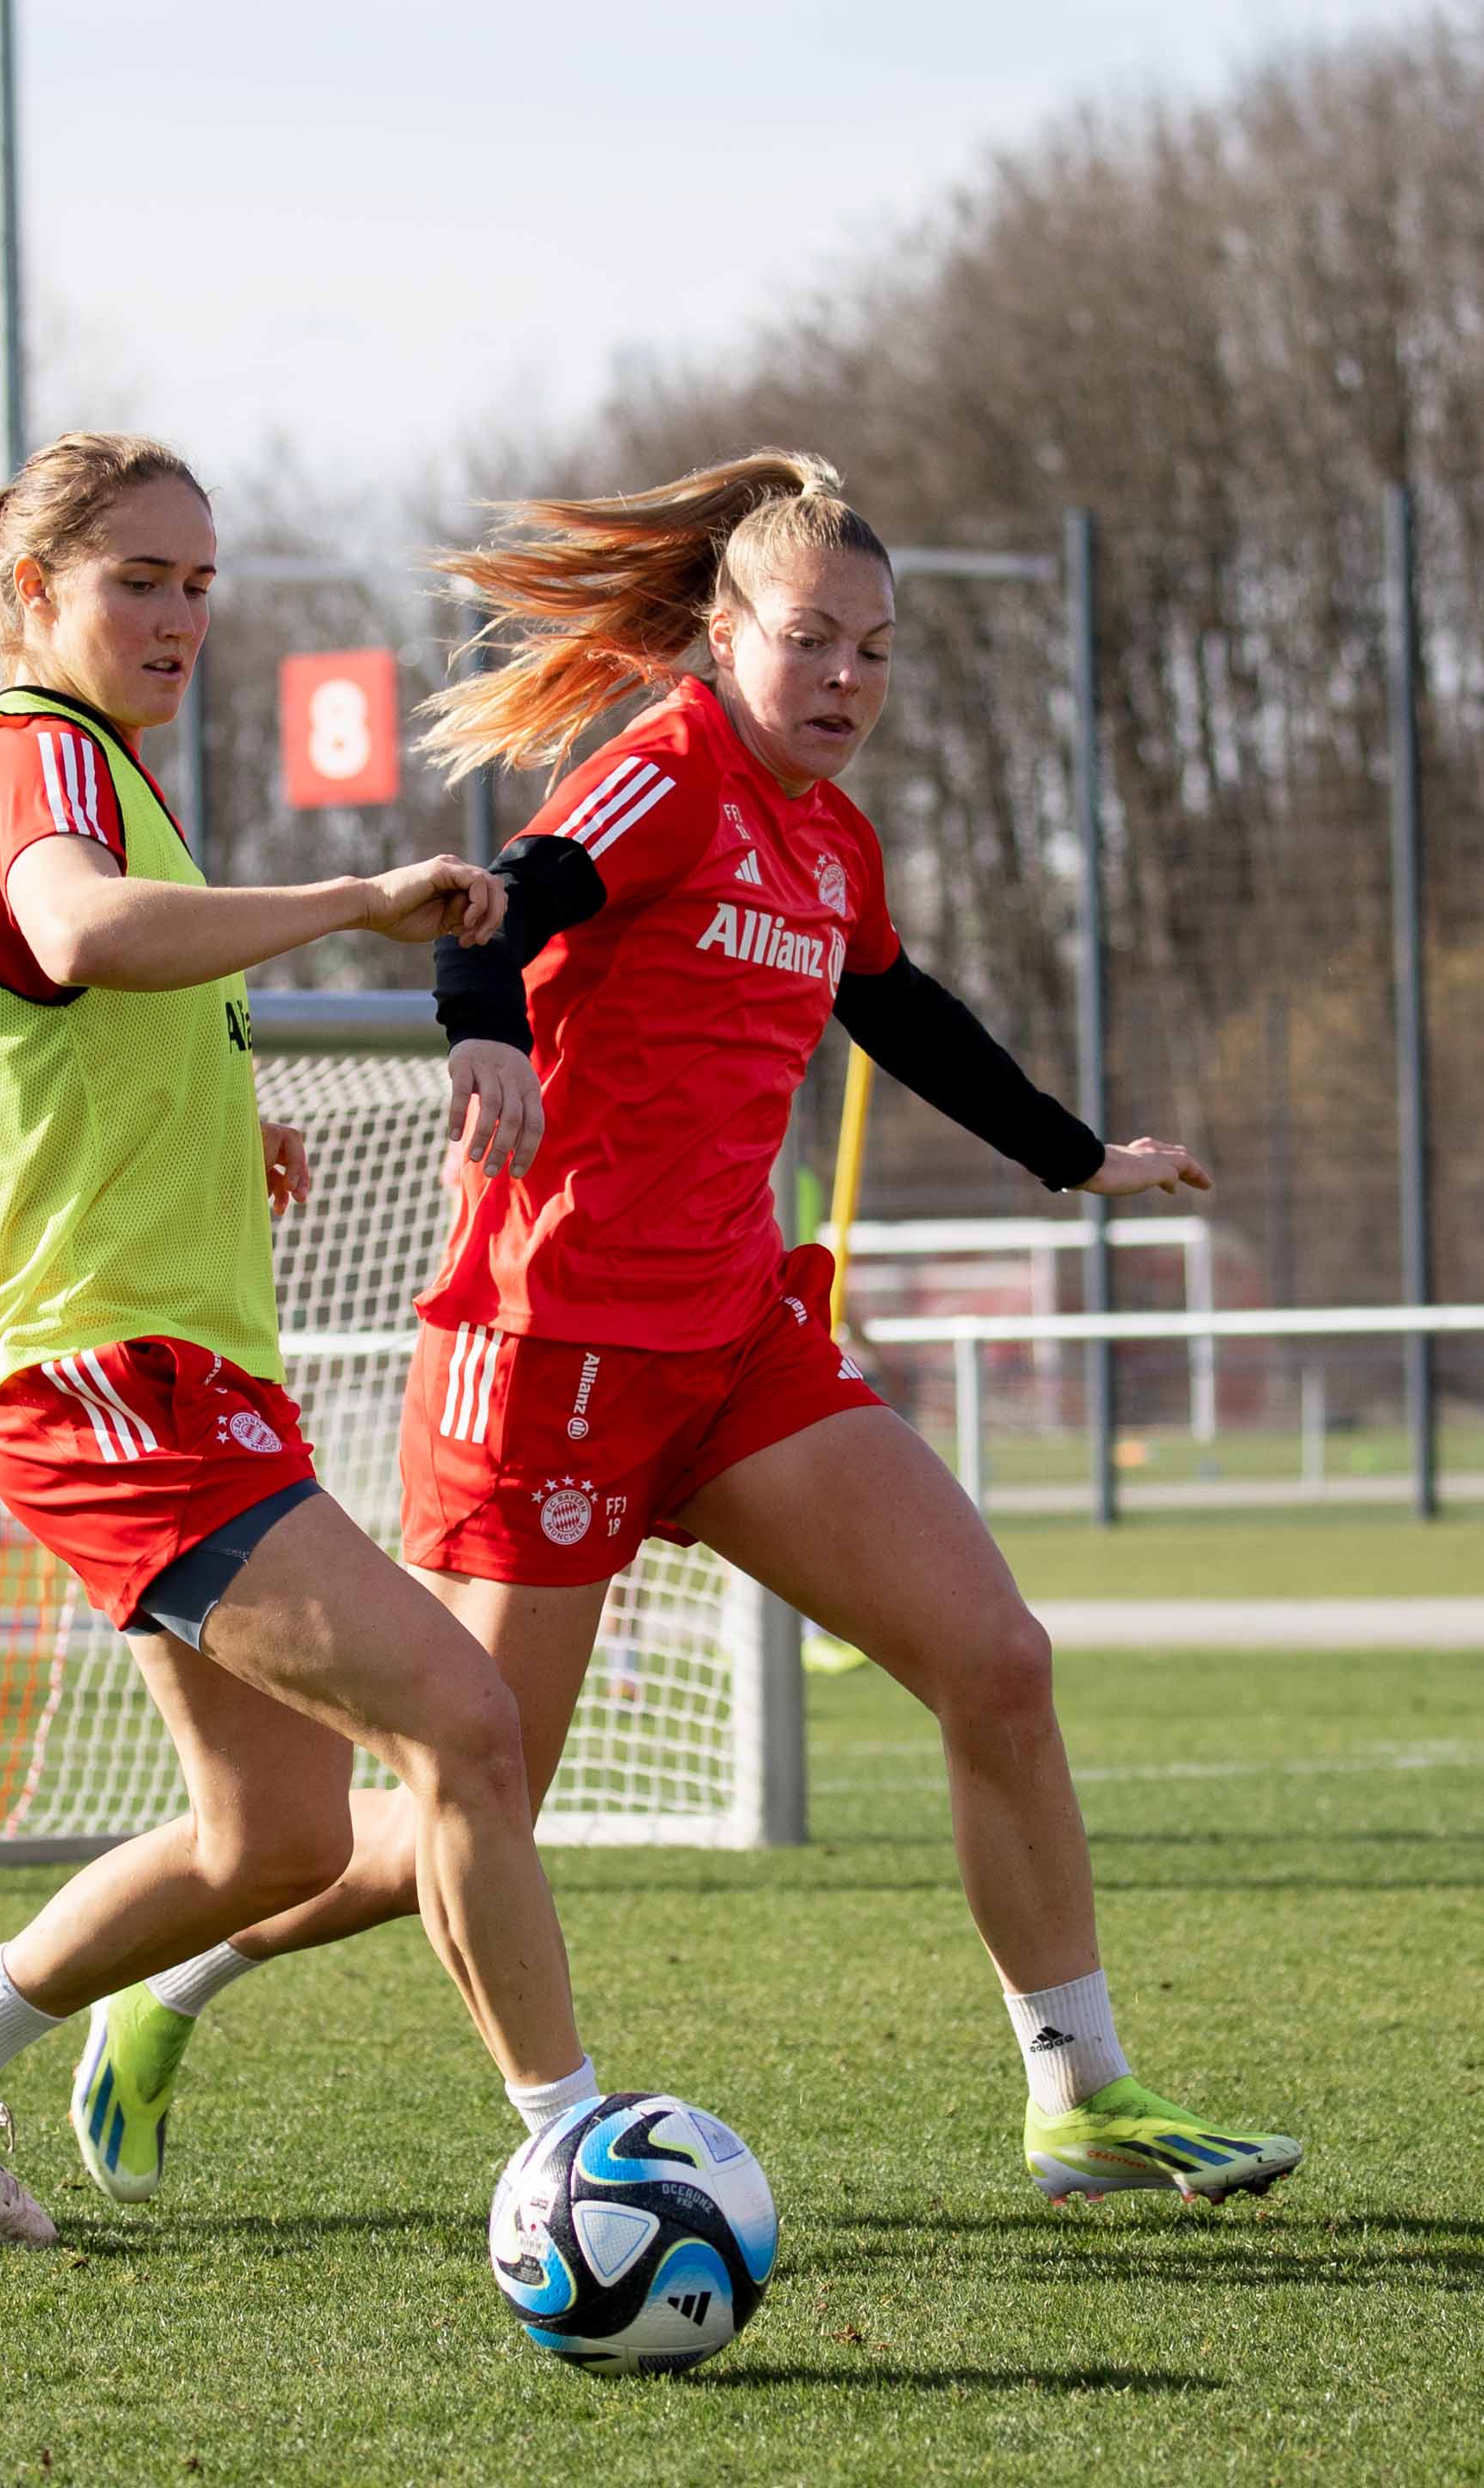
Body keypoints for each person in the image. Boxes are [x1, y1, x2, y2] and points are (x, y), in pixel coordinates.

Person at [68, 450, 1303, 2210]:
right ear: (724, 639)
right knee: (458, 1804)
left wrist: (1072, 1156)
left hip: (734, 1345)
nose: (850, 683)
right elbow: (505, 899)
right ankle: (184, 1974)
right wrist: (482, 1032)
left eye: (879, 652)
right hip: (551, 1348)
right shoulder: (663, 777)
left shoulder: (828, 837)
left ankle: (1081, 2093)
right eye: (814, 643)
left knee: (998, 1663)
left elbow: (902, 1009)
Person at [0, 430, 593, 2250]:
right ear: (33, 591)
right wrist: (355, 899)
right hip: (103, 1374)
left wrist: (216, 1123)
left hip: (155, 1365)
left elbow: (59, 1022)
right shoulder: (34, 758)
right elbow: (79, 936)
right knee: (468, 1725)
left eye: (199, 584)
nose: (178, 617)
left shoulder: (98, 773)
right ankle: (575, 2154)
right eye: (136, 581)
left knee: (278, 1841)